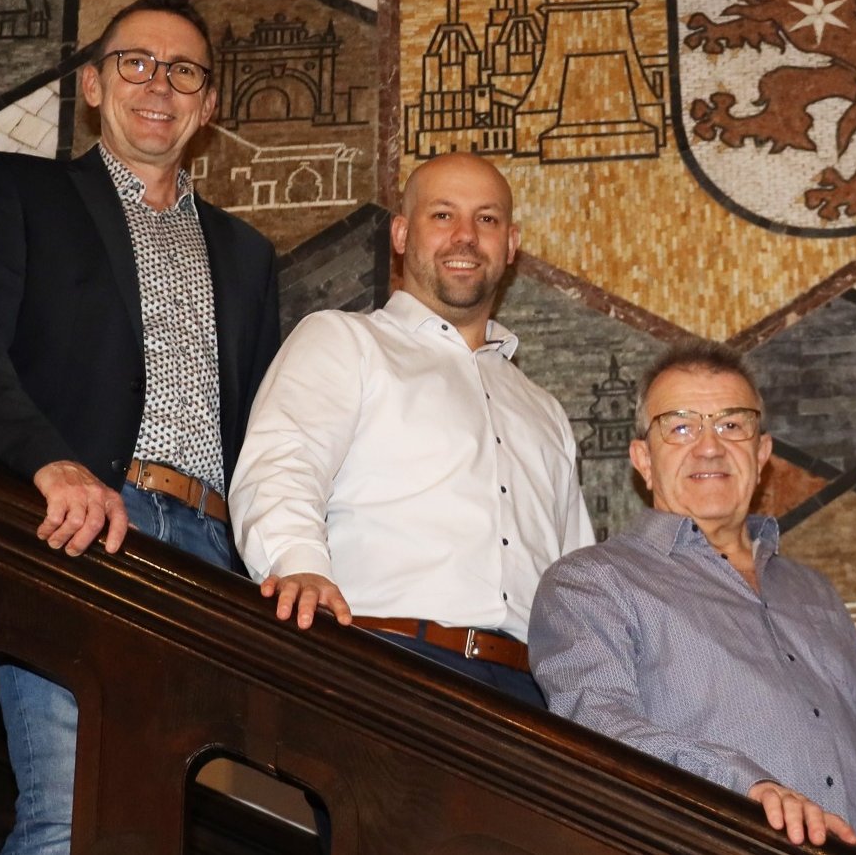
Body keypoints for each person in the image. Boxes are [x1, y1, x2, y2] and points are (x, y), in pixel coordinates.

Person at [0, 0, 280, 853]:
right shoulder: (20, 191)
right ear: (92, 85)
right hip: (81, 526)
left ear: (209, 104)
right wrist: (51, 464)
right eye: (136, 64)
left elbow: (268, 430)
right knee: (70, 815)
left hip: (210, 561)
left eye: (184, 72)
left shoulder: (248, 255)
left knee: (144, 830)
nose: (160, 85)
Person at [229, 152, 592, 707]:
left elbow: (576, 574)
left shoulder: (544, 411)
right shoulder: (343, 341)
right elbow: (282, 466)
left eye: (487, 219)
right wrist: (297, 567)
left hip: (532, 700)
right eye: (442, 215)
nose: (465, 236)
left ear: (511, 244)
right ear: (401, 234)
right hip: (385, 665)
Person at [530, 340, 856, 854]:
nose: (710, 447)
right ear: (643, 459)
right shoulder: (591, 583)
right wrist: (743, 789)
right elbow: (600, 731)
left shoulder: (816, 594)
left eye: (732, 424)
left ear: (762, 453)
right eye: (681, 427)